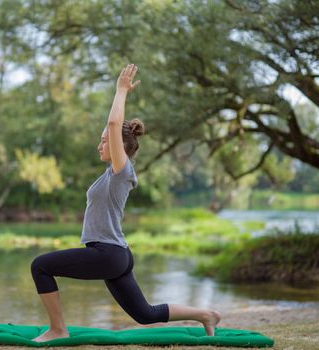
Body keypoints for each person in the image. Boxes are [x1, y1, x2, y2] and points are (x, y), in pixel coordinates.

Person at [30, 63, 221, 342]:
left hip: (108, 254)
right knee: (145, 314)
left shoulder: (122, 172)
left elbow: (113, 124)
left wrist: (121, 91)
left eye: (105, 141)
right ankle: (206, 314)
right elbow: (112, 129)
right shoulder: (110, 174)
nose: (100, 145)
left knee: (40, 266)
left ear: (120, 147)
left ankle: (58, 329)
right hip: (116, 253)